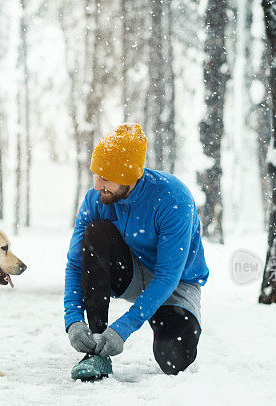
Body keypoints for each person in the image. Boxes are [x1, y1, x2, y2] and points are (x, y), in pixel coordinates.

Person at [63, 123, 209, 381]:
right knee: (96, 233)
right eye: (96, 174)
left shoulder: (173, 198)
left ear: (129, 176)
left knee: (173, 361)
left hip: (177, 285)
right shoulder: (96, 199)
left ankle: (165, 322)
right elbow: (76, 264)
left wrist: (123, 329)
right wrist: (73, 320)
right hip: (130, 273)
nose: (97, 185)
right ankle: (96, 351)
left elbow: (167, 276)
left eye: (105, 178)